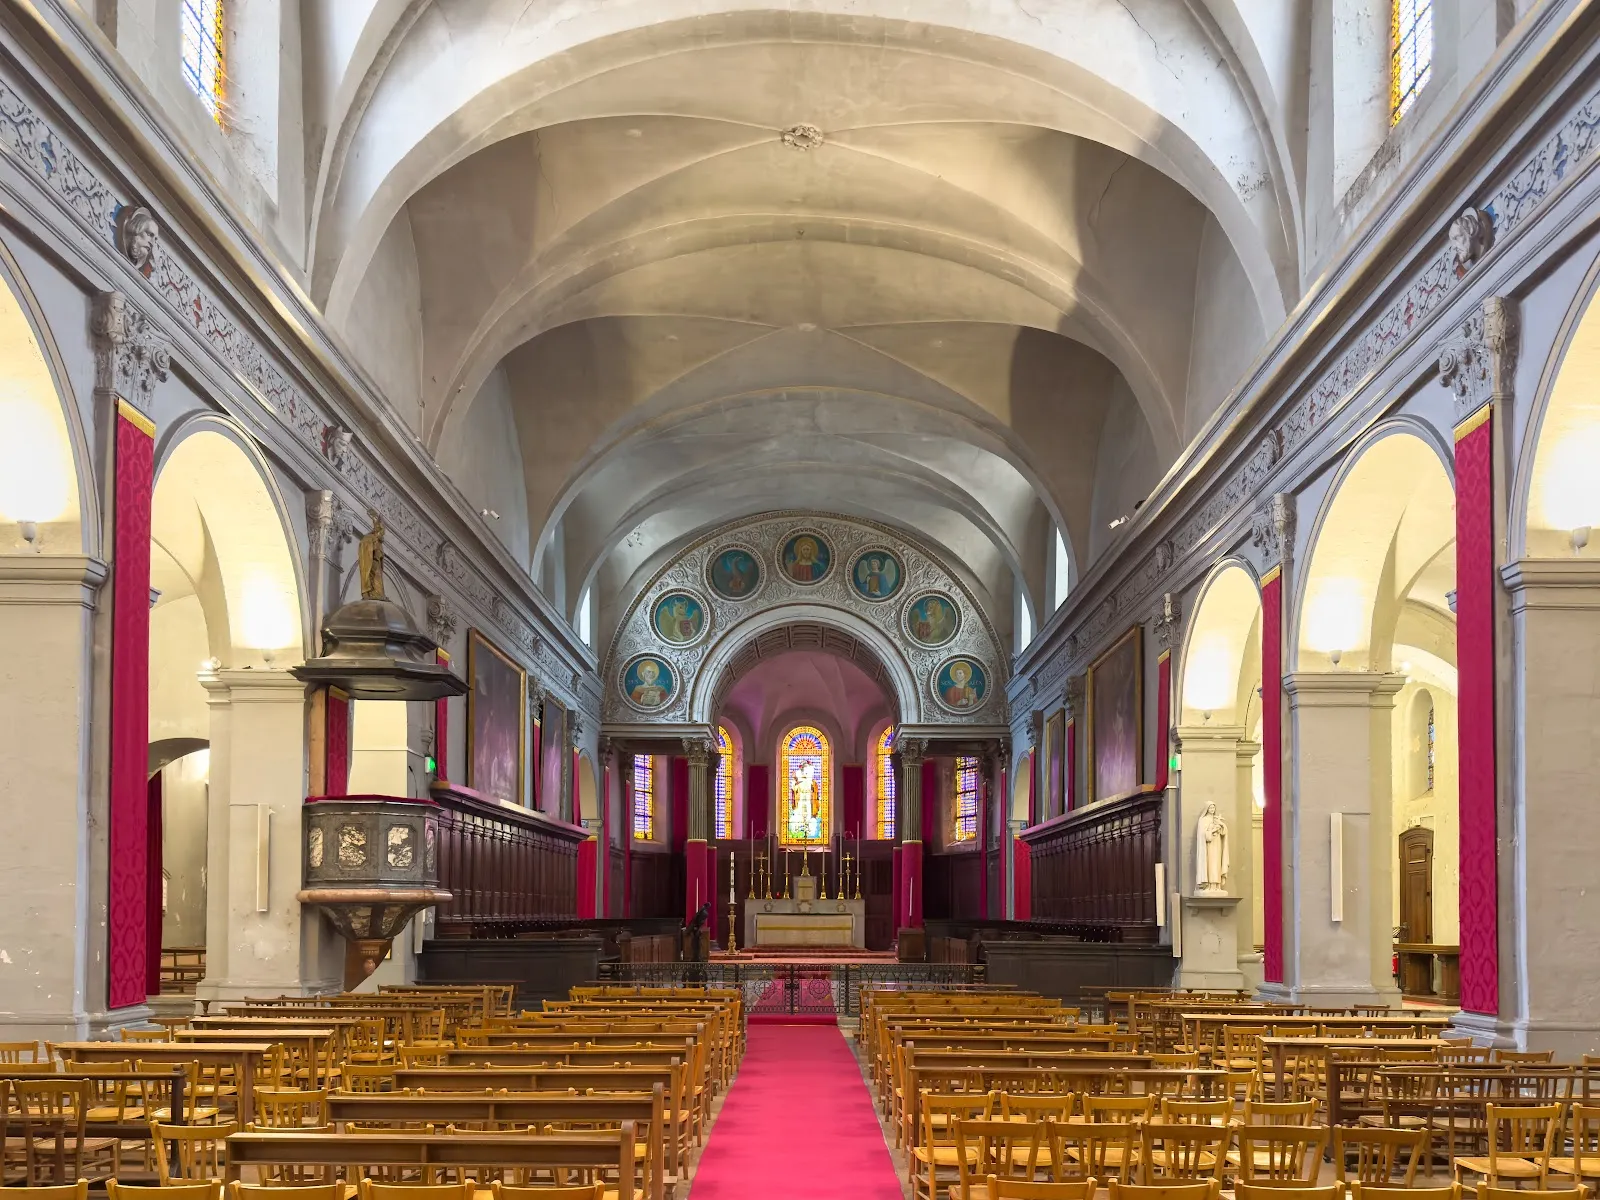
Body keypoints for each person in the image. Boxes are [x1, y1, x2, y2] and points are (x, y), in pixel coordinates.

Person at [1195, 801, 1230, 892]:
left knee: (1217, 864)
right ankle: (1209, 886)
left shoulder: (1216, 819)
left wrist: (1221, 825)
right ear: (1207, 809)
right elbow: (1203, 835)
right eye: (1210, 808)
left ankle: (1217, 886)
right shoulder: (1203, 820)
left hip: (1217, 845)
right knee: (1210, 865)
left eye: (1213, 808)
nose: (1212, 809)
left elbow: (1224, 832)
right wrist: (1212, 831)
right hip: (1208, 847)